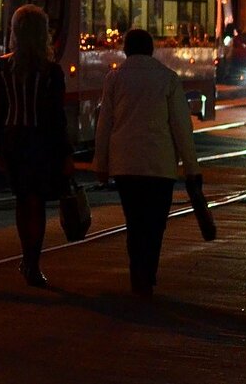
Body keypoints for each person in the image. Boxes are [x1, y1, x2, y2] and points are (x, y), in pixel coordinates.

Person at [94, 28, 202, 297]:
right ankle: (148, 273)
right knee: (155, 224)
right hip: (160, 166)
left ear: (126, 50)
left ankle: (137, 275)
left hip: (126, 166)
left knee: (135, 222)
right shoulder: (168, 79)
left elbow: (105, 124)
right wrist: (192, 169)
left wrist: (101, 165)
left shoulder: (115, 79)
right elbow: (181, 128)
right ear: (152, 50)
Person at [0, 4, 73, 287]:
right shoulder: (51, 72)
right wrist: (65, 153)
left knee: (22, 199)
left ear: (15, 32)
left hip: (14, 140)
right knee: (36, 202)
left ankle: (27, 257)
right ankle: (32, 262)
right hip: (41, 141)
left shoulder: (3, 66)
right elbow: (56, 117)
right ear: (42, 34)